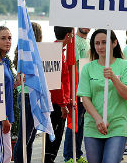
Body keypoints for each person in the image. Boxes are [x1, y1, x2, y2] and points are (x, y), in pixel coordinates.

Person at [77, 29, 127, 163]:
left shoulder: (124, 65)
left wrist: (114, 78)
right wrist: (98, 119)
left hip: (117, 126)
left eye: (104, 42)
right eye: (97, 43)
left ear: (114, 43)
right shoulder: (87, 68)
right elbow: (85, 98)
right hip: (93, 126)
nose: (100, 47)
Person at [0, 26, 22, 163]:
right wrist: (3, 117)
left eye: (10, 38)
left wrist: (15, 83)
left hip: (4, 115)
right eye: (3, 38)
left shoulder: (4, 61)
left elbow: (4, 86)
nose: (8, 41)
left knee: (5, 155)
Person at [13, 22, 43, 163]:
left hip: (30, 94)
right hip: (27, 94)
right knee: (25, 136)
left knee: (30, 137)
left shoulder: (23, 50)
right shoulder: (27, 52)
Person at [45, 26, 73, 163]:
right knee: (54, 139)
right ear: (68, 35)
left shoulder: (55, 50)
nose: (72, 37)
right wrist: (63, 104)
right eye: (72, 34)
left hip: (58, 101)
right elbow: (57, 83)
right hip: (56, 103)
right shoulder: (56, 52)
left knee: (53, 138)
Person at [64, 28, 91, 163]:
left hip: (85, 89)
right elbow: (73, 67)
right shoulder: (75, 41)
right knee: (73, 122)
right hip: (77, 88)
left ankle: (78, 153)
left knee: (80, 123)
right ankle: (69, 155)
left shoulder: (89, 43)